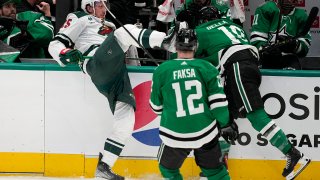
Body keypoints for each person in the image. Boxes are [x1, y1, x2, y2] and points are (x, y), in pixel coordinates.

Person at [48, 0, 183, 179]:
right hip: (96, 62)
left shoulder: (110, 25)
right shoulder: (80, 18)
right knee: (123, 32)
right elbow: (55, 43)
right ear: (89, 7)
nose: (104, 9)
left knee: (125, 121)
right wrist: (63, 53)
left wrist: (137, 65)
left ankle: (104, 167)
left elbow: (128, 47)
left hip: (116, 72)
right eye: (100, 5)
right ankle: (167, 42)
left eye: (105, 6)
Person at [191, 6, 311, 179]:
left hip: (238, 67)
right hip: (246, 66)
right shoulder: (235, 27)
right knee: (226, 118)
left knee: (254, 113)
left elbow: (191, 57)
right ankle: (216, 168)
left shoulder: (201, 31)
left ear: (202, 20)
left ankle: (293, 155)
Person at [149, 28, 238, 180]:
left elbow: (156, 107)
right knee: (217, 172)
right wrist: (225, 123)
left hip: (174, 134)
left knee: (167, 170)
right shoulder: (207, 67)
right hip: (205, 132)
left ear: (175, 46)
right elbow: (218, 104)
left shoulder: (161, 70)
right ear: (195, 46)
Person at [250, 0, 311, 69]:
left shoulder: (301, 15)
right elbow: (257, 40)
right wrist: (266, 50)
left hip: (289, 61)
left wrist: (295, 45)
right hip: (266, 60)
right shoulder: (266, 9)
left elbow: (305, 48)